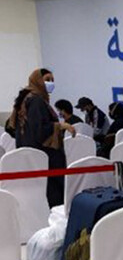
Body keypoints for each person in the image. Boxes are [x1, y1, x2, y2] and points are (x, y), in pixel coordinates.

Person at [14, 69, 75, 207]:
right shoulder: (36, 101)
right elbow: (39, 130)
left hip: (33, 156)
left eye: (52, 80)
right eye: (47, 79)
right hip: (45, 156)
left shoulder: (27, 98)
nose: (51, 83)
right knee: (53, 196)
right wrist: (60, 126)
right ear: (38, 80)